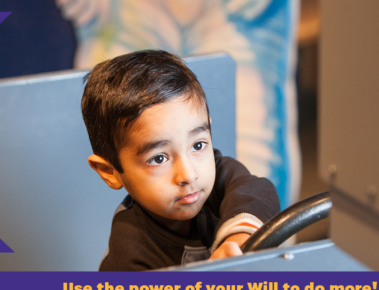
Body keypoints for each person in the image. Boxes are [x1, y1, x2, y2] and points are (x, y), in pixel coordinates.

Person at [81, 49, 280, 271]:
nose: (188, 174)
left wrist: (238, 239)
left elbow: (258, 191)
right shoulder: (127, 256)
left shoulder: (219, 173)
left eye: (197, 145)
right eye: (158, 158)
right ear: (110, 171)